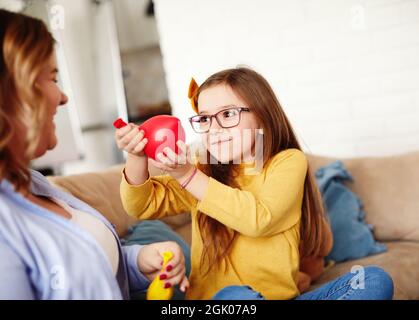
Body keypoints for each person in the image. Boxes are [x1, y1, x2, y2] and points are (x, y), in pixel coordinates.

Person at [115, 67, 394, 300]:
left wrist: (188, 176)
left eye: (227, 114)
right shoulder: (202, 170)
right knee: (236, 296)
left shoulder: (287, 162)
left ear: (261, 113)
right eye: (204, 118)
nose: (213, 129)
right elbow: (142, 205)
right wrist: (137, 157)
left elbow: (259, 218)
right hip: (224, 302)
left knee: (371, 280)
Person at [0, 9, 188, 299]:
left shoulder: (35, 183)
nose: (63, 97)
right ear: (13, 93)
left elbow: (88, 269)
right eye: (52, 78)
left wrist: (138, 261)